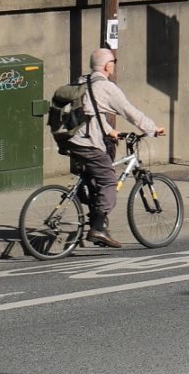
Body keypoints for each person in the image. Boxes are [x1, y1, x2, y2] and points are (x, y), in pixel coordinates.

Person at [65, 48, 164, 249]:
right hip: (88, 143)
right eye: (114, 61)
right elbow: (129, 112)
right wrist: (153, 129)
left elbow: (90, 113)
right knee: (109, 179)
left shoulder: (83, 82)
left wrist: (110, 131)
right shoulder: (106, 87)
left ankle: (94, 217)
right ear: (107, 65)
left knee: (96, 180)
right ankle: (98, 229)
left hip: (70, 140)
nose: (114, 65)